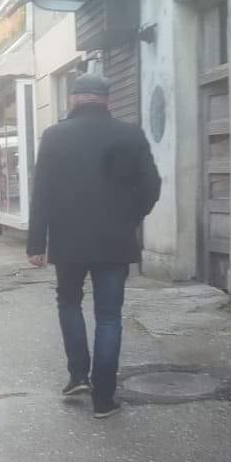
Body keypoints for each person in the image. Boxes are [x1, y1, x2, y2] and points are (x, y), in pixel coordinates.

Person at [26, 73, 162, 419]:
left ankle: (77, 376)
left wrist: (36, 243)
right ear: (106, 100)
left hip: (68, 241)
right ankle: (104, 398)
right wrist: (130, 217)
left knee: (69, 302)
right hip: (115, 240)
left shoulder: (54, 136)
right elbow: (152, 187)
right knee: (109, 316)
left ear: (74, 99)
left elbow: (41, 193)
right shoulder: (130, 134)